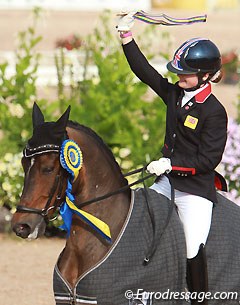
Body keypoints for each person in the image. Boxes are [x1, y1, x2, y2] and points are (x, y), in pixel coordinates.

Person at [117, 12, 228, 304]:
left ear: (205, 76)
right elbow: (145, 72)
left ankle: (198, 300)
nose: (179, 78)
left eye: (186, 73)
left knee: (193, 246)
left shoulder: (214, 112)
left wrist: (171, 164)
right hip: (166, 182)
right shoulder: (175, 94)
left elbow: (208, 161)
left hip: (195, 191)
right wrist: (126, 35)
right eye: (178, 72)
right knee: (135, 218)